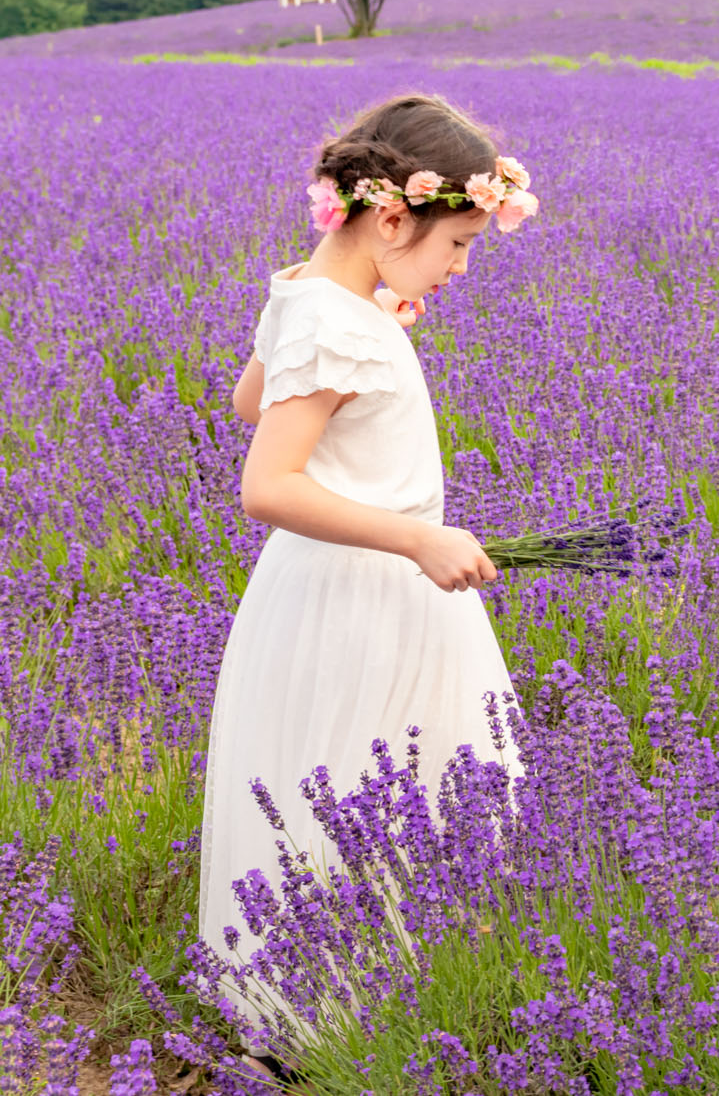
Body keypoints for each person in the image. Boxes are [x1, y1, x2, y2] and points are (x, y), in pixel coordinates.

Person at [199, 94, 540, 1082]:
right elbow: (267, 482)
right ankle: (356, 1019)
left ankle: (336, 1005)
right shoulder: (336, 321)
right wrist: (415, 539)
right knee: (374, 783)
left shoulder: (316, 298)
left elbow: (248, 399)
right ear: (390, 217)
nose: (461, 268)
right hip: (363, 596)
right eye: (459, 244)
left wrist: (369, 310)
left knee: (350, 786)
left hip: (333, 593)